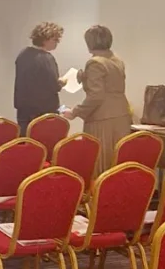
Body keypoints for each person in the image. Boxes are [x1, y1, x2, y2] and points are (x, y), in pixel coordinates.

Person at [62, 25, 132, 175]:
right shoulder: (117, 60)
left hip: (102, 118)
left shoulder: (95, 62)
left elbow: (96, 95)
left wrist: (75, 111)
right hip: (121, 115)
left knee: (100, 162)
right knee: (117, 162)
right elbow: (110, 84)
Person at [14, 22, 65, 134]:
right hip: (44, 112)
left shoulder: (22, 54)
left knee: (27, 140)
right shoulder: (46, 58)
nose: (57, 43)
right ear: (46, 39)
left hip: (24, 110)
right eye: (55, 39)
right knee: (45, 142)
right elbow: (54, 86)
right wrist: (62, 82)